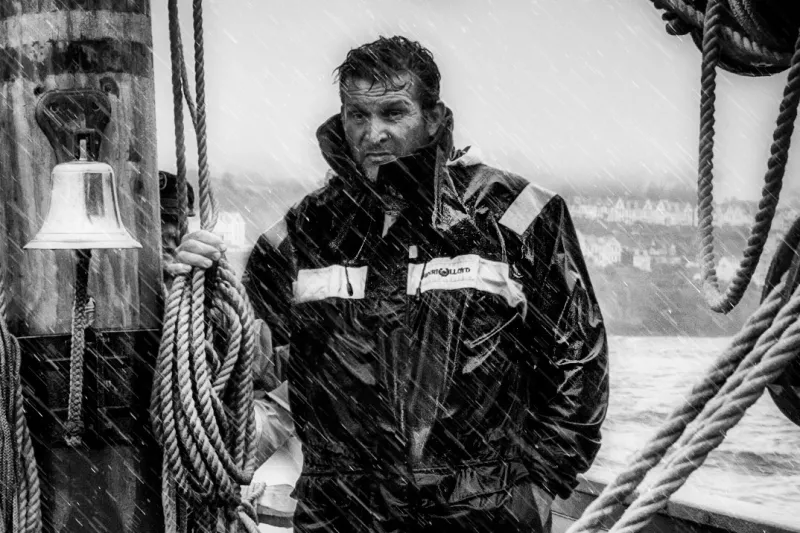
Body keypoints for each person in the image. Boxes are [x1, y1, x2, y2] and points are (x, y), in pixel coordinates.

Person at [175, 35, 609, 533]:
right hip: (342, 515)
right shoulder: (303, 234)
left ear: (434, 117)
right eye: (358, 115)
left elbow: (578, 358)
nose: (373, 133)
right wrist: (198, 288)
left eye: (393, 113)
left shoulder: (517, 215)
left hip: (483, 515)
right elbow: (235, 368)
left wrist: (536, 486)